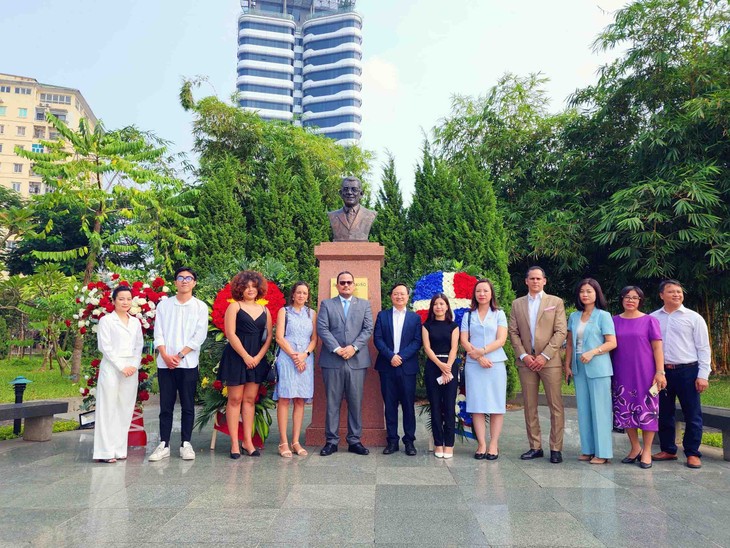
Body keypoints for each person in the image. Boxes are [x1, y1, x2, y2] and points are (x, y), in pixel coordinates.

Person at [508, 266, 568, 463]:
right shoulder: (517, 304)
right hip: (526, 362)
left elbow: (561, 331)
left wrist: (545, 355)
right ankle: (535, 446)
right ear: (526, 281)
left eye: (538, 278)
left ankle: (556, 448)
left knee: (555, 405)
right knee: (530, 405)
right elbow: (513, 333)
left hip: (549, 361)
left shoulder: (555, 302)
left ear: (544, 281)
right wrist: (524, 355)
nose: (535, 281)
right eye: (531, 278)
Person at [149, 267, 209, 462]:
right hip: (165, 363)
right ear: (175, 282)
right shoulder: (164, 306)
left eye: (189, 278)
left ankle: (186, 443)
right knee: (165, 405)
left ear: (194, 283)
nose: (184, 281)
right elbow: (158, 332)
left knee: (188, 405)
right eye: (180, 278)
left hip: (188, 363)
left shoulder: (200, 306)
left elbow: (199, 335)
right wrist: (165, 355)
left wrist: (181, 355)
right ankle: (164, 444)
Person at [651, 280, 712, 469]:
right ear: (662, 295)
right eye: (671, 292)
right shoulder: (652, 318)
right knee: (664, 412)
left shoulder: (694, 318)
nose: (676, 294)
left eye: (679, 291)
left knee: (692, 413)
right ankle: (668, 449)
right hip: (662, 372)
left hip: (688, 371)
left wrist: (703, 375)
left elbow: (703, 348)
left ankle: (692, 452)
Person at [217, 271, 273, 459]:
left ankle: (247, 442)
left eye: (254, 286)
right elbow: (231, 334)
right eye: (247, 286)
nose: (250, 289)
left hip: (257, 358)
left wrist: (257, 358)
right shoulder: (235, 307)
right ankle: (234, 443)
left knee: (250, 400)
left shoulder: (265, 310)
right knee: (235, 400)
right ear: (240, 289)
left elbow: (269, 337)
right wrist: (246, 356)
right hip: (237, 357)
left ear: (259, 289)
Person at [317, 271, 374, 456]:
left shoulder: (364, 304)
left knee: (355, 402)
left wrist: (354, 347)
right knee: (332, 402)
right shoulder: (327, 304)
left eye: (349, 282)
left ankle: (354, 441)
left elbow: (368, 329)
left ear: (354, 285)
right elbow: (322, 328)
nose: (346, 285)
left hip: (356, 360)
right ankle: (331, 441)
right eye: (343, 282)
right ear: (337, 285)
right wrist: (337, 349)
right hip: (332, 360)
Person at [612, 286, 666, 469]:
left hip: (645, 373)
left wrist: (660, 372)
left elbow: (657, 348)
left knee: (647, 411)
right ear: (621, 299)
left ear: (640, 301)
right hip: (621, 373)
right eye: (627, 297)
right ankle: (635, 448)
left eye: (635, 298)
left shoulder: (650, 320)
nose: (630, 300)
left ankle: (648, 450)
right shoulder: (614, 321)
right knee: (626, 410)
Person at [564, 278, 617, 464]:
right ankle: (587, 449)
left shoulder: (603, 316)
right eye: (582, 291)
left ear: (597, 294)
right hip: (579, 368)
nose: (585, 295)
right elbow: (569, 343)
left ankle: (602, 452)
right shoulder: (573, 316)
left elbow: (612, 342)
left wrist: (593, 352)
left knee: (600, 410)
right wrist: (567, 365)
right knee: (584, 410)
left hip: (598, 367)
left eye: (589, 291)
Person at [93, 285, 143, 463]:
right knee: (108, 408)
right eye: (121, 298)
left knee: (125, 408)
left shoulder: (136, 322)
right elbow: (105, 347)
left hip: (131, 369)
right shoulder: (106, 321)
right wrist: (122, 366)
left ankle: (119, 449)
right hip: (112, 367)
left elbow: (139, 346)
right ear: (113, 301)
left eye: (128, 299)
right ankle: (105, 451)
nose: (125, 302)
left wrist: (133, 365)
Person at [460, 279, 509, 460]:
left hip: (495, 364)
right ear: (474, 294)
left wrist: (484, 351)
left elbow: (501, 339)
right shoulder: (468, 315)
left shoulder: (499, 314)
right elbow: (464, 340)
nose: (482, 294)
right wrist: (479, 357)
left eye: (485, 291)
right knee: (477, 405)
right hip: (474, 365)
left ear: (491, 294)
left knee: (496, 405)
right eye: (479, 291)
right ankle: (481, 444)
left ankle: (493, 443)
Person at [374, 283, 423, 456]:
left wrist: (400, 356)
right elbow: (378, 339)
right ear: (391, 296)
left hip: (407, 367)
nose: (399, 297)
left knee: (408, 405)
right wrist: (391, 356)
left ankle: (409, 441)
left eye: (402, 294)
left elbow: (417, 342)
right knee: (390, 405)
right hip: (387, 366)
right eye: (396, 294)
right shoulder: (382, 315)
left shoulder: (414, 318)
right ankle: (392, 441)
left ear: (407, 297)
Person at [274, 282, 317, 458]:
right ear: (293, 295)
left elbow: (314, 339)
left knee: (300, 400)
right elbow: (279, 337)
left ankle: (296, 441)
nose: (301, 295)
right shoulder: (284, 312)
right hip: (287, 357)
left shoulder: (311, 313)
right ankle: (283, 442)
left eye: (304, 293)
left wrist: (304, 354)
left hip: (305, 359)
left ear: (308, 296)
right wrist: (294, 356)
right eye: (298, 292)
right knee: (285, 398)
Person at [422, 293, 460, 459]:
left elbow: (454, 348)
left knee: (449, 407)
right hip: (433, 367)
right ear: (432, 307)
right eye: (436, 304)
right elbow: (427, 348)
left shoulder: (453, 326)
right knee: (436, 406)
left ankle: (449, 444)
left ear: (447, 307)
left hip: (450, 367)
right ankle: (438, 443)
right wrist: (440, 366)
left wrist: (448, 368)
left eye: (442, 304)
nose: (439, 307)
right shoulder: (426, 326)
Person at [327, 176, 377, 241]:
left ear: (361, 194)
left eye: (354, 189)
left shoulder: (371, 215)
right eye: (346, 189)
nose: (349, 192)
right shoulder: (332, 216)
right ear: (341, 193)